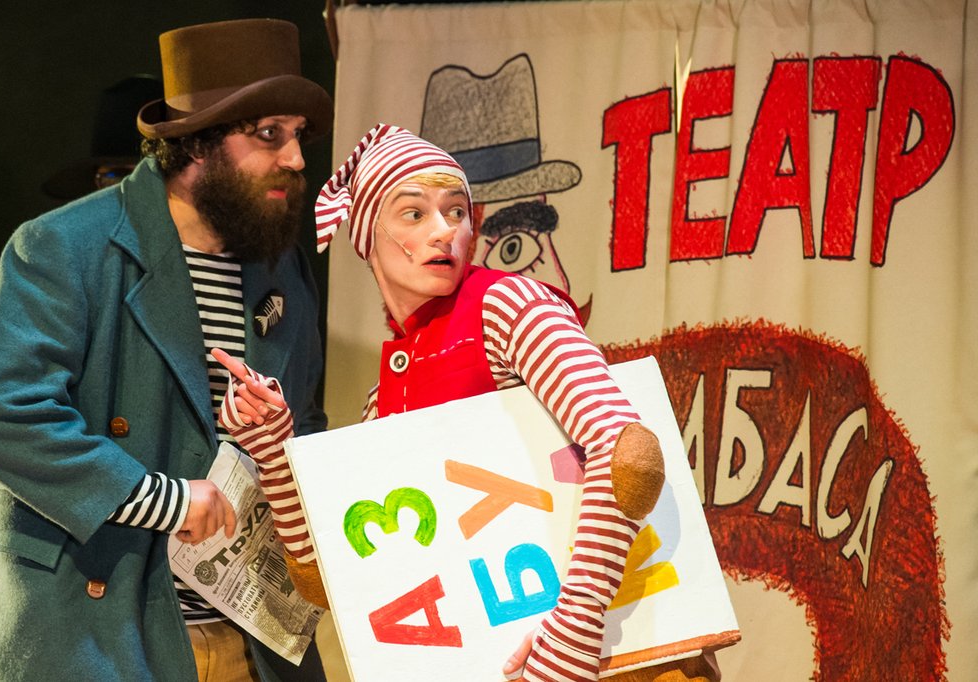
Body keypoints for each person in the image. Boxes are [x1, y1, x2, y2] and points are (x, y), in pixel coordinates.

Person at [212, 124, 722, 682]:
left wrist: (574, 634)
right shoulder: (384, 401)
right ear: (366, 235)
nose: (444, 231)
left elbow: (628, 453)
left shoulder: (508, 306)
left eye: (456, 211)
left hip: (622, 663)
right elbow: (326, 581)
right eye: (414, 214)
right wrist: (273, 450)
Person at [0, 18, 332, 682]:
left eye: (298, 134)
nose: (297, 159)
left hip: (251, 640)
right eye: (269, 134)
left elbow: (307, 426)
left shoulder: (284, 271)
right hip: (97, 634)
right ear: (196, 143)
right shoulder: (65, 245)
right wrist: (165, 500)